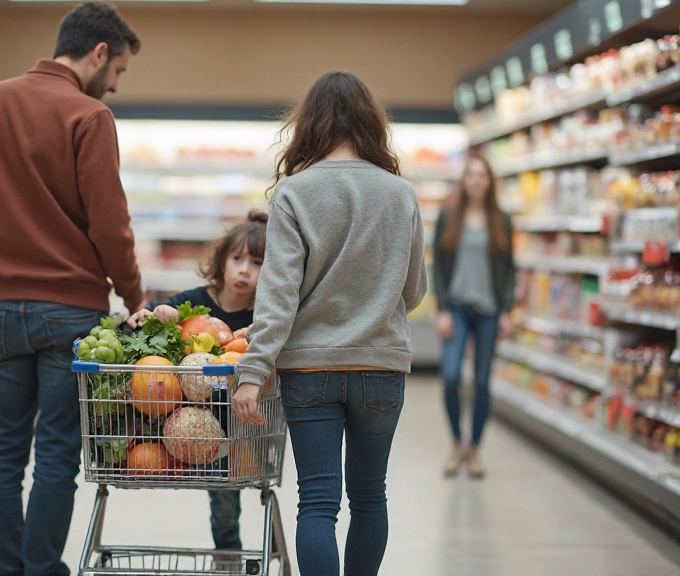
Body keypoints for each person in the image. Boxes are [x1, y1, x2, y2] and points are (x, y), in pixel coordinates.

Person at [0, 3, 144, 575]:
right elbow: (110, 223)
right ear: (99, 53)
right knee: (58, 451)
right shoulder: (89, 117)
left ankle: (6, 569)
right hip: (71, 314)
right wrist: (133, 296)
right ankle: (41, 569)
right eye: (120, 70)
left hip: (0, 310)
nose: (116, 85)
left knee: (3, 448)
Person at [231, 71, 428, 576]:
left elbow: (276, 298)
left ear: (310, 124)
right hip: (381, 367)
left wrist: (253, 372)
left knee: (317, 502)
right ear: (370, 122)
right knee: (369, 497)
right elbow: (415, 291)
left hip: (310, 370)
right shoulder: (399, 194)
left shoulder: (296, 193)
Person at [127, 211, 267, 554]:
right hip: (178, 415)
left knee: (224, 494)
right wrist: (157, 314)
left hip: (231, 425)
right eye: (237, 258)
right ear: (222, 261)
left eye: (258, 262)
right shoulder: (196, 302)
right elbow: (161, 316)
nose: (245, 269)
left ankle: (228, 548)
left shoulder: (264, 315)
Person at [432, 154, 515, 479]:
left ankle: (475, 448)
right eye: (472, 175)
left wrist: (506, 310)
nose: (477, 180)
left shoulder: (502, 220)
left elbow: (509, 270)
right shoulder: (449, 216)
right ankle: (456, 442)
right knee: (451, 376)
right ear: (464, 181)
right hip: (457, 309)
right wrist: (441, 309)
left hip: (489, 312)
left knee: (481, 382)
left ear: (489, 181)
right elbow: (438, 265)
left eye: (483, 175)